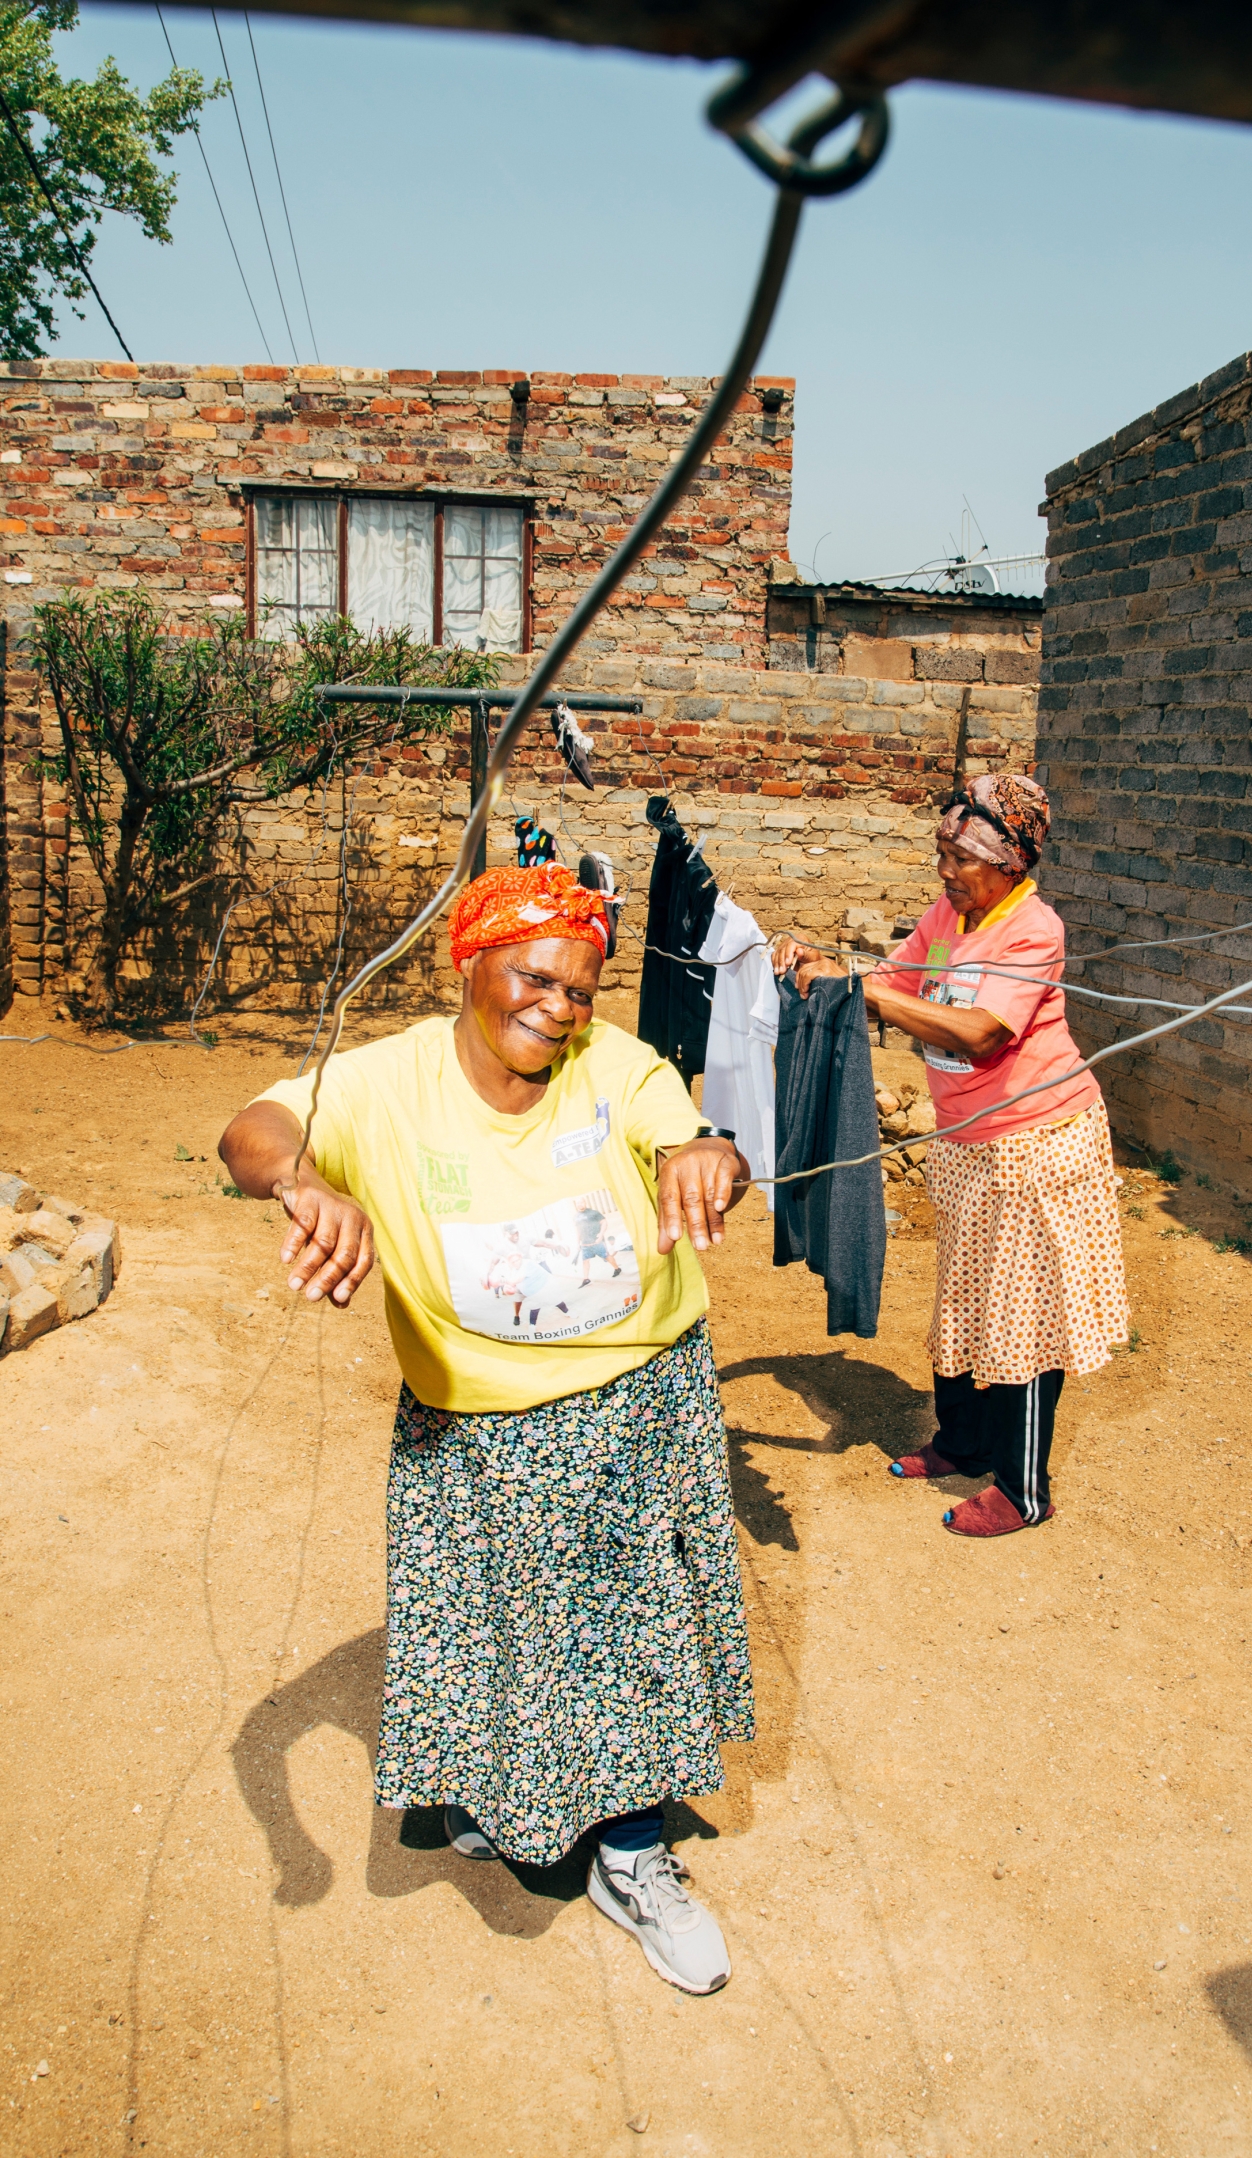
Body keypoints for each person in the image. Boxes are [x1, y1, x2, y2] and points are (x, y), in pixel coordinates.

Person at [218, 862, 753, 1994]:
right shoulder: (388, 1080)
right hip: (478, 1424)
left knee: (630, 1638)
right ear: (471, 963)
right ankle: (503, 1794)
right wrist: (306, 1184)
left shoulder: (611, 1064)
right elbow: (253, 1130)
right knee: (491, 1625)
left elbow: (688, 1131)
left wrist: (708, 1152)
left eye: (581, 991)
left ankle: (633, 1852)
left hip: (634, 1396)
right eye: (536, 977)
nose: (558, 1008)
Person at [773, 774, 1128, 1538]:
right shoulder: (949, 915)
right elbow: (891, 980)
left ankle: (1023, 1488)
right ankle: (962, 1443)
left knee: (1024, 1317)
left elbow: (979, 1033)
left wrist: (858, 992)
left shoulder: (1034, 930)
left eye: (960, 856)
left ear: (1008, 862)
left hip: (1039, 1145)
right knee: (964, 1300)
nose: (945, 869)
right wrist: (824, 972)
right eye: (942, 850)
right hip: (970, 1147)